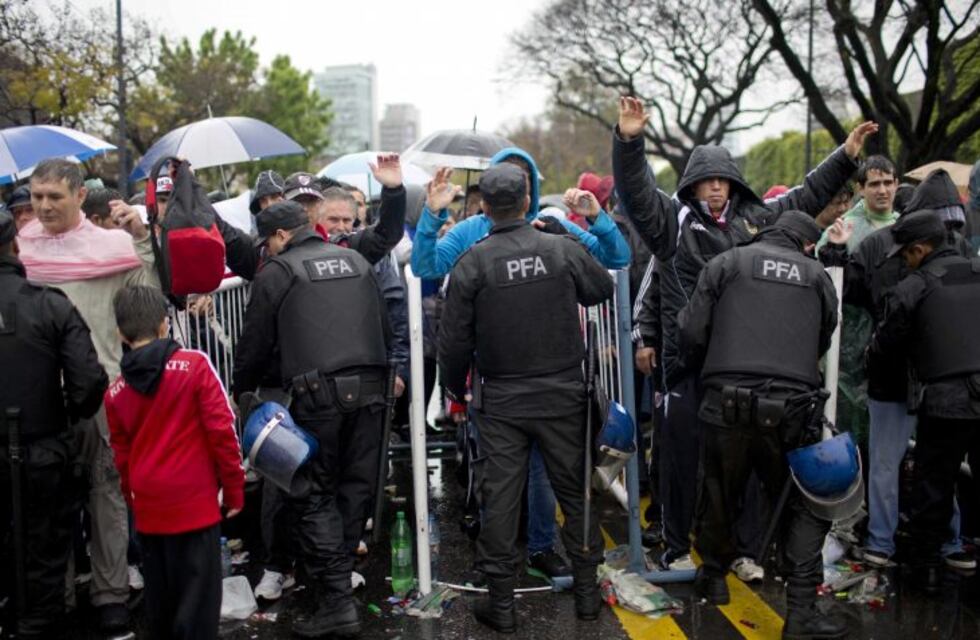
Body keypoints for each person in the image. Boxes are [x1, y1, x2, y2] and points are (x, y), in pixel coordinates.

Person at [613, 96, 875, 571]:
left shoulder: (756, 218)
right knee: (679, 461)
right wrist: (630, 142)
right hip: (685, 365)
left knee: (742, 470)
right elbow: (636, 192)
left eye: (723, 179)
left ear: (733, 182)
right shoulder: (670, 223)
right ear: (692, 184)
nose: (716, 187)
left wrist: (846, 156)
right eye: (707, 180)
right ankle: (675, 547)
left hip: (740, 367)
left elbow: (806, 196)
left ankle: (741, 552)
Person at [413, 147, 631, 581]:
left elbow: (617, 258)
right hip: (495, 379)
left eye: (522, 179)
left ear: (528, 192)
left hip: (552, 379)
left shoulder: (551, 227)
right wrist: (432, 216)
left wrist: (594, 219)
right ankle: (497, 562)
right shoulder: (472, 232)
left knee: (544, 474)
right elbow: (424, 265)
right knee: (495, 477)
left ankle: (539, 547)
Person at [677, 212, 844, 639]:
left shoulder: (728, 262)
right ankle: (801, 611)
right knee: (799, 506)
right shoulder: (816, 275)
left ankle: (714, 577)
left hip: (726, 401)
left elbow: (692, 329)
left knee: (718, 492)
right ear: (807, 245)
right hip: (792, 408)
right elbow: (824, 334)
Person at [233, 200, 390, 638]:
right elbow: (385, 326)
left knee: (312, 494)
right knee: (354, 489)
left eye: (268, 242)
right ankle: (335, 590)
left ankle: (337, 602)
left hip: (317, 396)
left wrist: (242, 394)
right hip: (372, 392)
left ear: (281, 235)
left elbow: (253, 345)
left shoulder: (278, 272)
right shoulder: (356, 261)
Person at [16, 159, 159, 633]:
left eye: (54, 196)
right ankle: (53, 596)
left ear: (80, 195)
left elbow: (144, 304)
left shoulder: (113, 246)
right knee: (45, 503)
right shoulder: (22, 247)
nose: (43, 206)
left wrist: (142, 240)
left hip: (101, 392)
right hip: (40, 397)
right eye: (36, 196)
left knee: (106, 496)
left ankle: (110, 595)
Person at [823, 169, 975, 570]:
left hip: (925, 381)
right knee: (925, 467)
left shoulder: (942, 255)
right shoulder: (884, 247)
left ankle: (916, 543)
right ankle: (914, 543)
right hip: (917, 381)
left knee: (929, 467)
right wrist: (835, 255)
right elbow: (850, 289)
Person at [104, 286, 245, 640]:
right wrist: (234, 489)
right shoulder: (195, 366)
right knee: (198, 611)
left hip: (150, 510)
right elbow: (222, 431)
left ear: (120, 333)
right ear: (164, 325)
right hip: (195, 507)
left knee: (162, 610)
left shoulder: (116, 392)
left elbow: (121, 456)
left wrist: (133, 500)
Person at [0, 208, 108, 637]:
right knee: (45, 556)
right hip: (44, 450)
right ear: (15, 245)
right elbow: (88, 382)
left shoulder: (48, 303)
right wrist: (63, 416)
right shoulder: (48, 304)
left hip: (40, 447)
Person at [868, 210, 980, 592]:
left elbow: (884, 346)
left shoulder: (914, 286)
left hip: (946, 401)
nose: (905, 261)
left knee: (934, 484)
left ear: (919, 250)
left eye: (906, 254)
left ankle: (925, 570)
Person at [216, 156, 406, 281]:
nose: (305, 208)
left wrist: (393, 190)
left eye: (311, 202)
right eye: (298, 201)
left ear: (321, 206)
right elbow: (226, 235)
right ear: (284, 203)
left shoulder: (343, 245)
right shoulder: (263, 251)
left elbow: (385, 235)